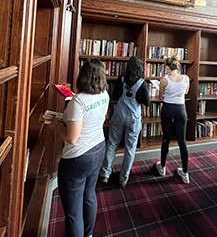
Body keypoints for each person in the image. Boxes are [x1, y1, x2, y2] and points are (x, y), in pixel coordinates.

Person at [49, 58, 109, 237]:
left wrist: (54, 124)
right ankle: (88, 234)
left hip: (77, 157)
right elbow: (96, 118)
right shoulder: (105, 94)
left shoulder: (78, 101)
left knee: (73, 213)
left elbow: (71, 138)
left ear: (82, 76)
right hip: (98, 148)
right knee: (89, 196)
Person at [100, 56, 150, 188]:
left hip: (119, 114)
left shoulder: (121, 78)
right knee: (130, 148)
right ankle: (123, 178)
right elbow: (147, 102)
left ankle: (105, 173)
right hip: (133, 117)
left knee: (112, 143)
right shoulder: (142, 83)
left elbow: (115, 95)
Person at [155, 55, 190, 184]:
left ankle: (162, 167)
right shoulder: (185, 78)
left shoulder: (164, 80)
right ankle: (185, 173)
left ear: (167, 67)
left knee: (166, 139)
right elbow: (185, 92)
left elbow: (160, 98)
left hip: (168, 109)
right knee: (182, 141)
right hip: (181, 110)